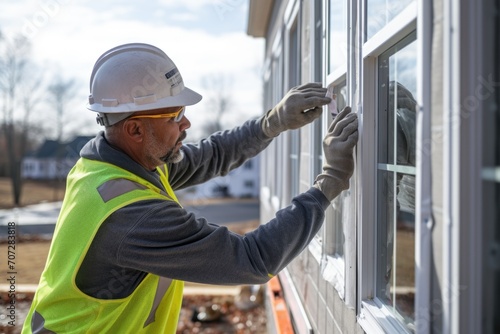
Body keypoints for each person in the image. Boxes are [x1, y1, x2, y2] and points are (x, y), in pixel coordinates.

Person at [22, 43, 358, 333]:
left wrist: (273, 122)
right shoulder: (132, 216)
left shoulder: (112, 164)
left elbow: (210, 156)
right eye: (175, 114)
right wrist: (330, 180)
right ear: (136, 129)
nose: (187, 123)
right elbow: (252, 258)